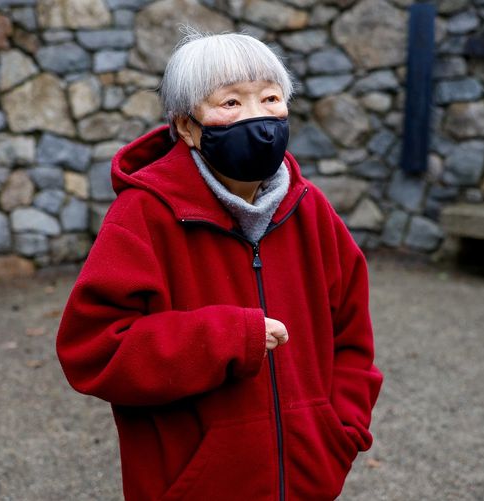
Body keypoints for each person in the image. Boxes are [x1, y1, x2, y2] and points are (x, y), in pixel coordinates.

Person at [56, 30, 383, 501]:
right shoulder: (144, 216)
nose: (257, 117)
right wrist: (226, 338)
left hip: (309, 479)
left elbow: (352, 339)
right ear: (186, 126)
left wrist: (340, 432)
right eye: (230, 103)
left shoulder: (313, 212)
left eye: (270, 98)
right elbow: (93, 349)